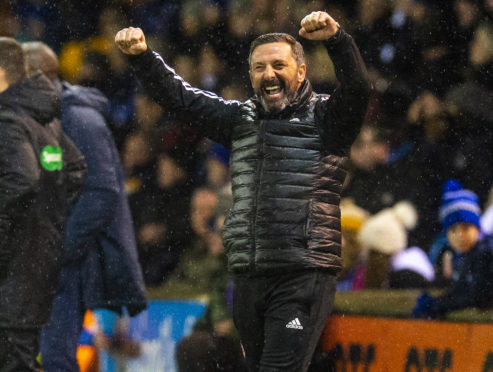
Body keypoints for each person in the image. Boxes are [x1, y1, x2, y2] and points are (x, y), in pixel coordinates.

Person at [115, 10, 371, 372]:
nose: (269, 74)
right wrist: (143, 57)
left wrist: (337, 40)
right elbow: (180, 99)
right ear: (251, 76)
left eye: (278, 65)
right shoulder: (239, 121)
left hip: (301, 278)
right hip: (249, 279)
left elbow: (359, 89)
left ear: (301, 72)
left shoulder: (327, 119)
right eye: (259, 68)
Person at [21, 41, 148, 371]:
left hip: (67, 263)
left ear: (38, 76)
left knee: (55, 359)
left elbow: (101, 194)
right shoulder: (35, 120)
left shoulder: (77, 119)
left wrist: (56, 250)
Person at [0, 37, 87, 371]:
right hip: (36, 266)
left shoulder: (8, 120)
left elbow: (21, 180)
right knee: (21, 356)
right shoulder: (43, 119)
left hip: (11, 275)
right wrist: (45, 216)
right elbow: (75, 169)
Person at [413, 179, 493, 319]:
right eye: (453, 230)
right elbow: (460, 291)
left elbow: (476, 296)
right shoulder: (459, 256)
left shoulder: (486, 254)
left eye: (466, 228)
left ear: (477, 228)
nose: (460, 236)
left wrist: (436, 304)